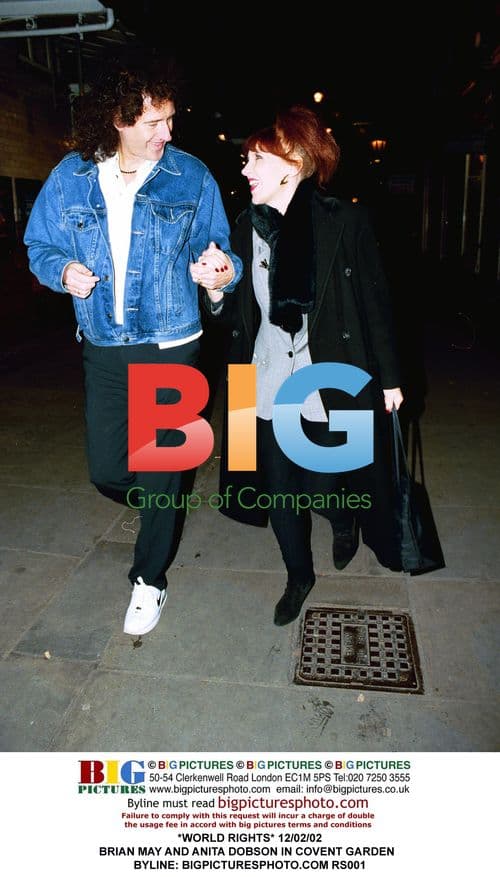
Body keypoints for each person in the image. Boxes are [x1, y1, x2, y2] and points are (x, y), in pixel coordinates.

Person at [24, 57, 241, 637]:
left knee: (162, 467)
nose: (166, 134)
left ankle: (150, 580)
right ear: (117, 119)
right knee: (108, 470)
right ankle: (161, 501)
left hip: (172, 342)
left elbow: (223, 251)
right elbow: (39, 245)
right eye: (153, 122)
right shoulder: (70, 176)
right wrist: (62, 269)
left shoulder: (189, 176)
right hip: (103, 342)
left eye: (170, 120)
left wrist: (219, 274)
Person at [214, 105, 403, 626]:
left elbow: (375, 303)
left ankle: (344, 521)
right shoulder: (244, 227)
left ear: (293, 162)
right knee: (278, 490)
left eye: (257, 158)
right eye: (247, 159)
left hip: (329, 377)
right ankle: (299, 574)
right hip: (265, 377)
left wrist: (390, 378)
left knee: (330, 479)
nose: (247, 170)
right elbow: (237, 308)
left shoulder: (346, 222)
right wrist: (214, 289)